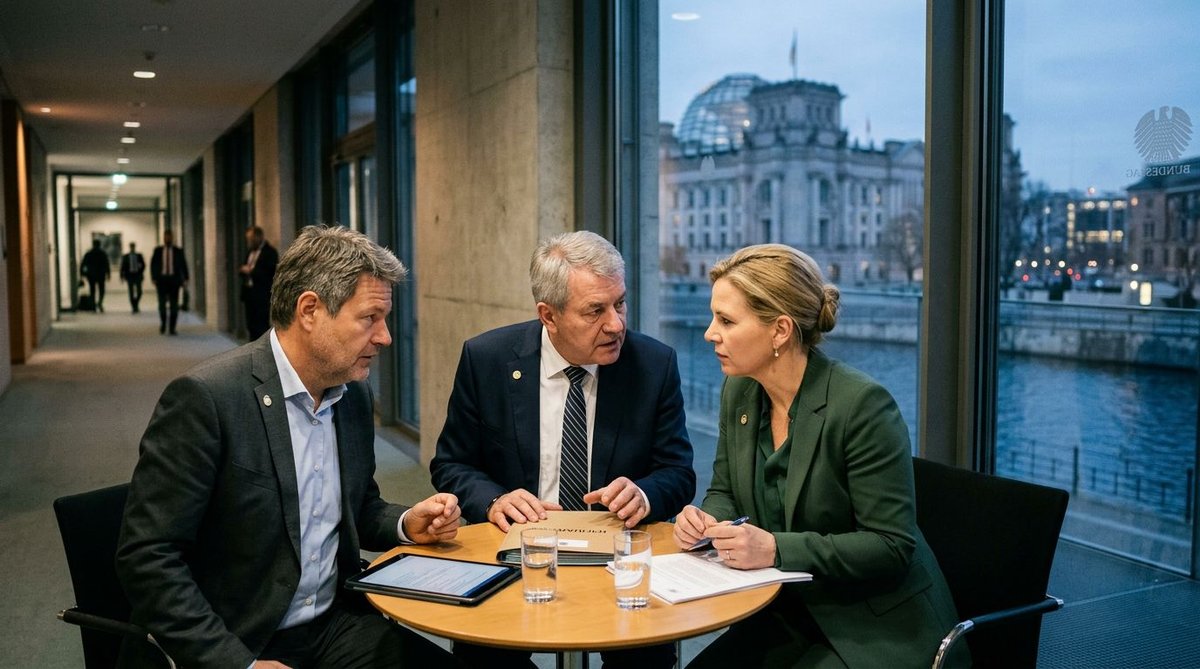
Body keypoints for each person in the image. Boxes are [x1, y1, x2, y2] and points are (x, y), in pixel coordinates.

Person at [116, 225, 463, 669]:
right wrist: (233, 664)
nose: (385, 337)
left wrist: (405, 523)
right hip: (241, 636)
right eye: (369, 318)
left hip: (335, 622)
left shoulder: (351, 395)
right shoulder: (208, 400)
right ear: (310, 310)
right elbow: (148, 556)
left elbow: (354, 508)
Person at [673, 244, 968, 669]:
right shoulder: (739, 390)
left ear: (780, 331)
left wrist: (775, 548)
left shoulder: (862, 405)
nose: (709, 333)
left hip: (875, 625)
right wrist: (707, 522)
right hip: (785, 609)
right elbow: (725, 490)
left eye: (726, 320)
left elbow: (891, 545)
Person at [430, 230, 694, 669]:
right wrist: (494, 499)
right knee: (485, 657)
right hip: (516, 555)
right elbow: (452, 463)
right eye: (596, 311)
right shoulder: (488, 359)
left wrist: (645, 493)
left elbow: (678, 472)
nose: (616, 324)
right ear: (547, 315)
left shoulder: (652, 364)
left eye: (620, 303)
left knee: (646, 659)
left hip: (619, 561)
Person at [240, 225, 279, 340]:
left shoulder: (270, 252)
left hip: (262, 294)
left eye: (251, 239)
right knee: (250, 324)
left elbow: (271, 272)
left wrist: (251, 271)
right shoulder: (250, 252)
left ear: (258, 237)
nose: (249, 242)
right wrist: (243, 270)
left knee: (261, 325)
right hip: (249, 294)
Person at [150, 229, 189, 334]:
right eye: (166, 236)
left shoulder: (178, 251)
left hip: (174, 281)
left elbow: (183, 265)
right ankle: (163, 324)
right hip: (161, 281)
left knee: (174, 305)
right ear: (163, 238)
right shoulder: (158, 251)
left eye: (169, 236)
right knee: (162, 305)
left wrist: (186, 278)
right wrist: (153, 278)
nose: (168, 238)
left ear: (172, 237)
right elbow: (153, 265)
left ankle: (172, 328)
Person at [80, 239, 111, 312]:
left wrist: (82, 273)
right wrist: (108, 273)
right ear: (99, 245)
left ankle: (93, 305)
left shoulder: (89, 253)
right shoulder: (102, 253)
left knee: (92, 290)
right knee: (101, 290)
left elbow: (83, 264)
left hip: (91, 274)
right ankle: (100, 302)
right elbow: (106, 264)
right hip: (101, 274)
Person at [119, 242, 145, 313]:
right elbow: (122, 267)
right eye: (131, 247)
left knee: (139, 291)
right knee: (131, 292)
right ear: (130, 247)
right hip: (129, 275)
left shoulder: (139, 255)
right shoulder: (126, 256)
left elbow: (143, 265)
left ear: (135, 247)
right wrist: (121, 276)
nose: (132, 248)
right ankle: (134, 307)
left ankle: (136, 303)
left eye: (133, 247)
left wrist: (140, 268)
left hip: (137, 275)